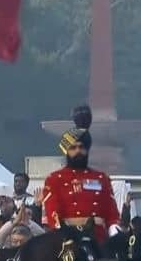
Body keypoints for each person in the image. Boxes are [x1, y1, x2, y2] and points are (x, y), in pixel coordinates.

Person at [40, 104, 121, 243]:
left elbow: (112, 215)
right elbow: (53, 214)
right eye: (73, 147)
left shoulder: (101, 178)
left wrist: (116, 234)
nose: (78, 151)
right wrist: (84, 221)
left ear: (88, 149)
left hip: (99, 240)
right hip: (67, 239)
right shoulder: (54, 179)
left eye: (82, 147)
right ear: (66, 151)